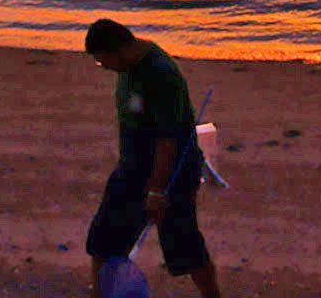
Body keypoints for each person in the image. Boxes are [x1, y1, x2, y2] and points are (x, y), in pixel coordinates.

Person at [82, 18, 222, 298]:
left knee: (184, 245)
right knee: (103, 238)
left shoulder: (161, 74)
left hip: (171, 175)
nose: (104, 67)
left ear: (119, 49)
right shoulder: (126, 69)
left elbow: (167, 139)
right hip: (131, 169)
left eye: (103, 61)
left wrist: (157, 191)